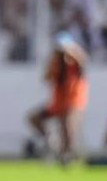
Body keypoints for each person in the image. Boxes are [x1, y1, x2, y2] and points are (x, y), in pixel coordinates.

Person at [27, 33, 89, 164]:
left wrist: (71, 51)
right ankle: (51, 140)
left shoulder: (75, 64)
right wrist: (53, 62)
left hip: (73, 102)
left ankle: (67, 153)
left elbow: (83, 60)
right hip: (57, 104)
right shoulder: (56, 64)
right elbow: (46, 78)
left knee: (67, 124)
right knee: (34, 118)